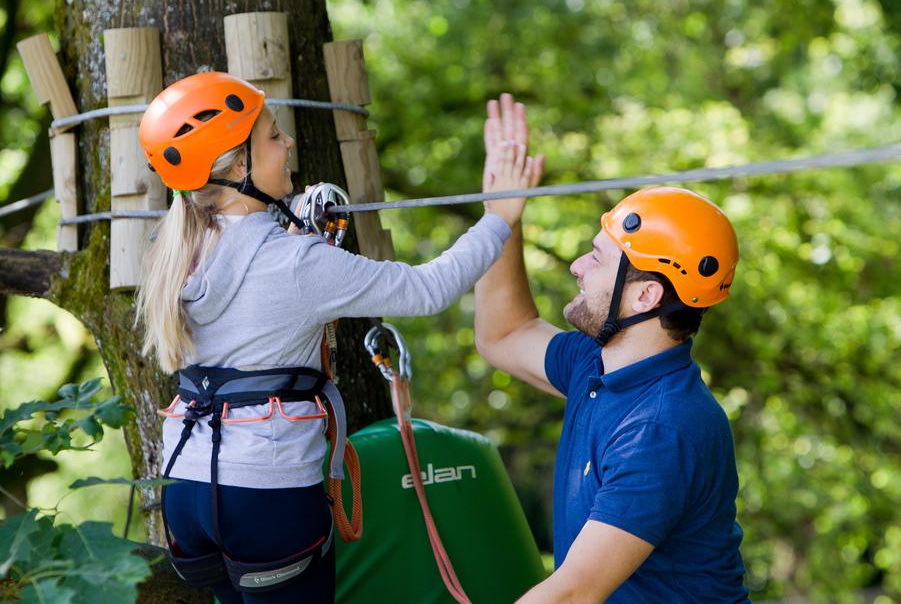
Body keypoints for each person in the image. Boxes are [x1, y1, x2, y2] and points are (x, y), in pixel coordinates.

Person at [135, 72, 540, 604]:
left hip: (185, 487)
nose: (289, 143)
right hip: (265, 494)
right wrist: (498, 218)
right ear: (237, 167)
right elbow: (428, 290)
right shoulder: (298, 262)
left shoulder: (179, 251)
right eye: (273, 137)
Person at [474, 94, 751, 603]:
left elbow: (573, 593)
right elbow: (503, 335)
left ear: (646, 295)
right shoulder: (594, 364)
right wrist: (501, 217)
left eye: (598, 259)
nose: (577, 265)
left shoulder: (663, 427)